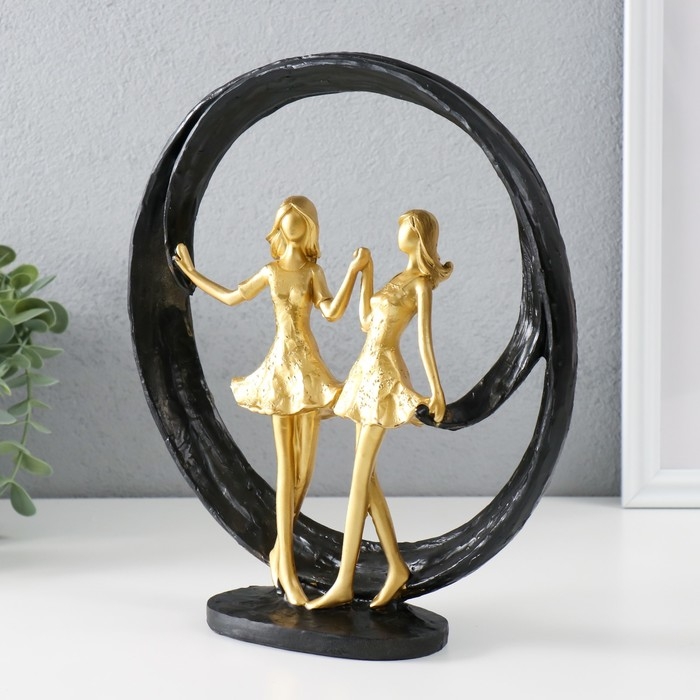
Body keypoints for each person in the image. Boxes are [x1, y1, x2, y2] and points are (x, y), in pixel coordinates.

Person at [173, 195, 370, 605]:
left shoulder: (313, 272)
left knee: (305, 473)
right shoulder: (271, 271)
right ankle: (288, 575)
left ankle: (280, 551)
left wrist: (353, 273)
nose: (291, 223)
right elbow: (233, 296)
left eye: (298, 218)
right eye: (286, 218)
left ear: (308, 226)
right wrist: (192, 275)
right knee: (285, 470)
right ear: (279, 225)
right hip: (280, 371)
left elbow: (332, 313)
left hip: (308, 371)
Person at [306, 209, 452, 609]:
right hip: (364, 372)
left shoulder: (419, 284)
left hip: (384, 376)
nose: (397, 231)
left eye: (404, 226)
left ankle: (344, 582)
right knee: (366, 478)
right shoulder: (398, 277)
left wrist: (436, 390)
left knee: (358, 479)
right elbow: (367, 321)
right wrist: (365, 272)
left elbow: (424, 341)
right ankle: (397, 568)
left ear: (417, 235)